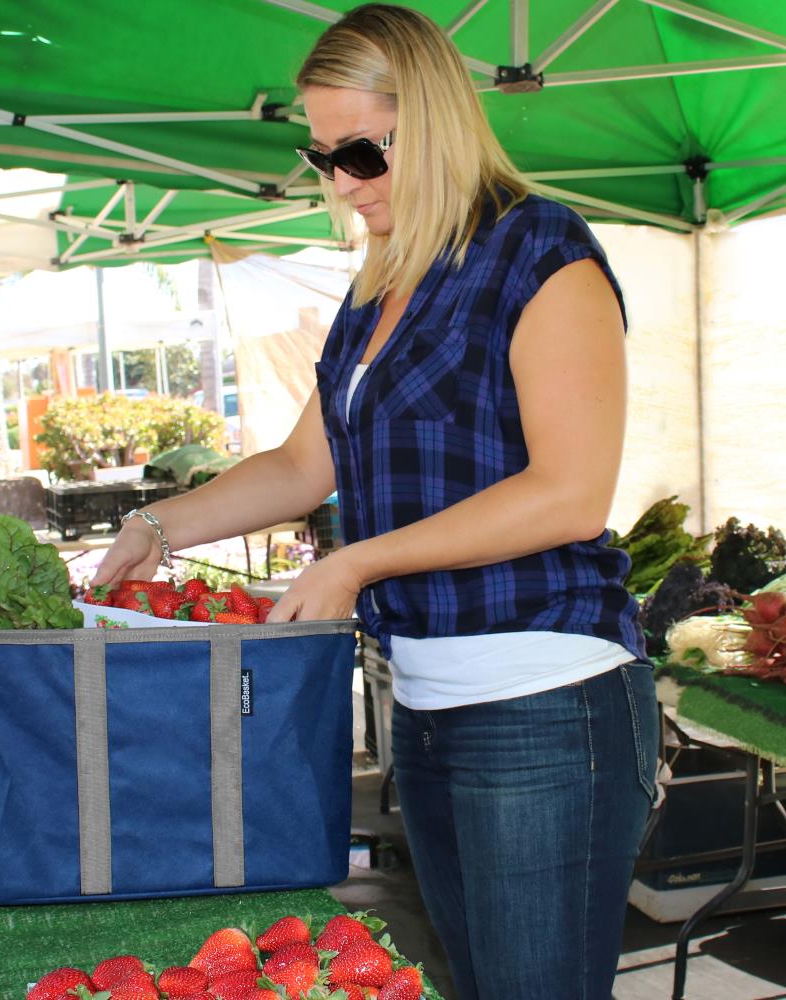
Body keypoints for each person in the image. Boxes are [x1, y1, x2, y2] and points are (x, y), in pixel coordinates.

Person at [93, 5, 658, 996]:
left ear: (433, 118)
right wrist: (153, 528)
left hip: (546, 697)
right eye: (322, 156)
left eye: (361, 151)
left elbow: (569, 495)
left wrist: (357, 560)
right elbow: (304, 465)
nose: (344, 184)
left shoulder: (541, 253)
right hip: (426, 705)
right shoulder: (376, 288)